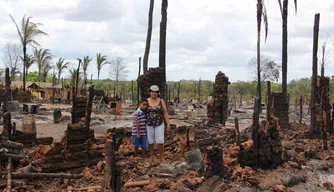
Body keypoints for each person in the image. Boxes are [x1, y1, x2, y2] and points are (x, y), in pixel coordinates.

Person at [146, 85, 170, 163]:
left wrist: (168, 124)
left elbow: (165, 113)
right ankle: (151, 157)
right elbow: (140, 111)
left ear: (158, 93)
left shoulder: (161, 101)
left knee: (160, 140)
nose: (154, 94)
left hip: (159, 123)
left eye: (155, 92)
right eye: (152, 92)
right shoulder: (146, 101)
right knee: (150, 141)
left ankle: (162, 157)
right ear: (150, 92)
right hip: (149, 124)